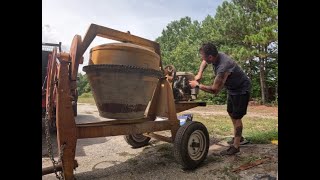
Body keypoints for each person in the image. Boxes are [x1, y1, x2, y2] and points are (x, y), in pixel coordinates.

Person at [189, 42, 251, 155]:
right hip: (232, 89)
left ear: (211, 57)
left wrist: (197, 85)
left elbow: (215, 90)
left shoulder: (223, 67)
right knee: (231, 111)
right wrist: (199, 74)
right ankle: (239, 137)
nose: (202, 59)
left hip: (241, 89)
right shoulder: (215, 56)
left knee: (237, 117)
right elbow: (204, 62)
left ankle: (236, 146)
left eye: (203, 57)